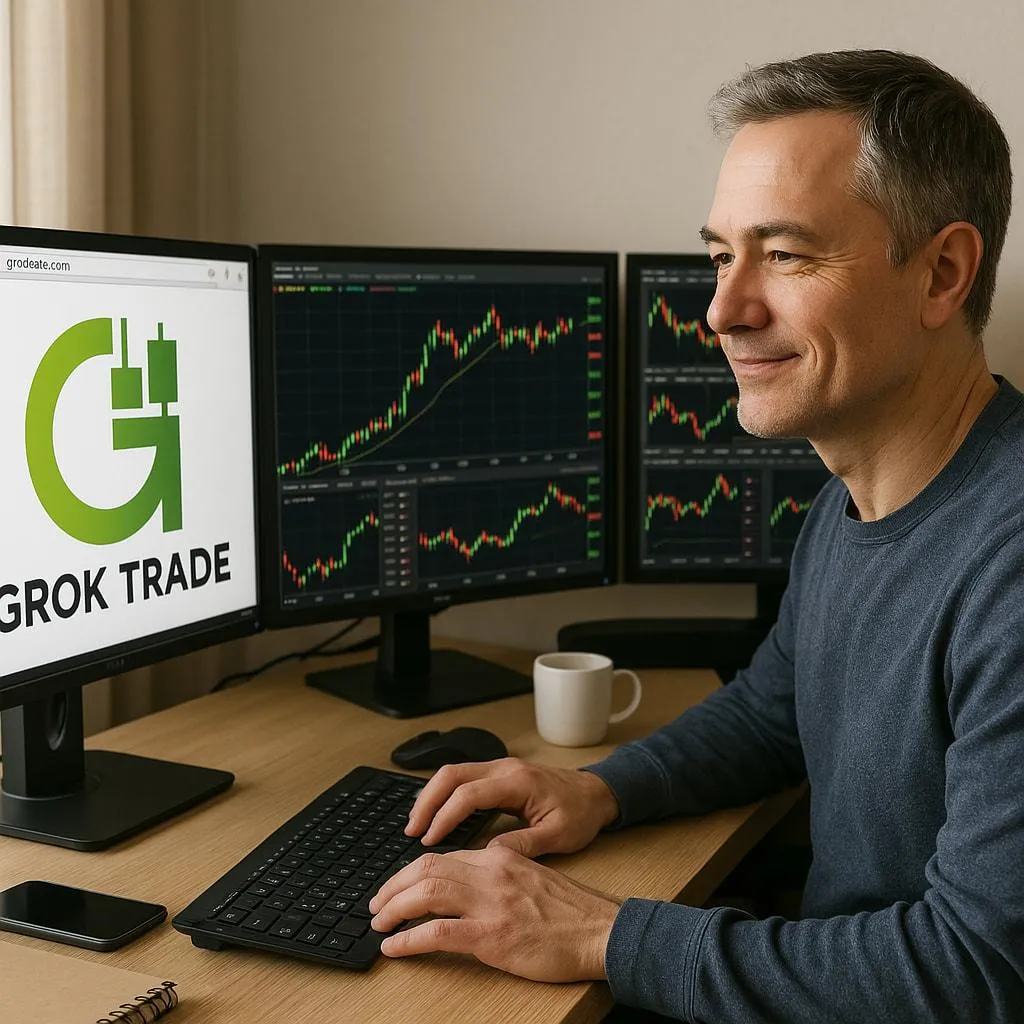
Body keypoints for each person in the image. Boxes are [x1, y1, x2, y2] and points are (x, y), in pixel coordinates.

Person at [367, 49, 1024, 1022]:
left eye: (786, 254)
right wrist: (596, 790)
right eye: (721, 255)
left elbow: (974, 971)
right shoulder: (853, 502)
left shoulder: (1008, 560)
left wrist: (598, 932)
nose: (721, 309)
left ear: (941, 272)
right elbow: (772, 708)